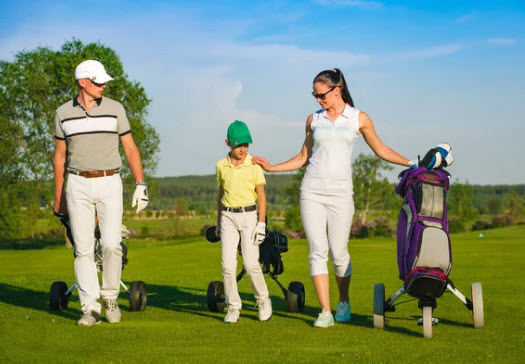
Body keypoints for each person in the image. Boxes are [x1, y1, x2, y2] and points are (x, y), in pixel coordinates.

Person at [252, 68, 415, 328]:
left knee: (339, 254)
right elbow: (303, 158)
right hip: (312, 191)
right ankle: (325, 312)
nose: (318, 100)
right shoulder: (313, 119)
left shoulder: (358, 118)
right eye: (314, 95)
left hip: (341, 193)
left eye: (321, 95)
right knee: (317, 252)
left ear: (336, 89)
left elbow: (381, 149)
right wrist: (272, 167)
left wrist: (412, 162)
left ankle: (343, 301)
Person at [53, 60, 149, 326]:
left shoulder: (115, 109)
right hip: (77, 183)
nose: (103, 85)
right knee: (82, 249)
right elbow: (60, 157)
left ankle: (109, 297)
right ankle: (89, 308)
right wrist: (59, 193)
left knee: (110, 244)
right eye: (98, 81)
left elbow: (129, 147)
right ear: (83, 82)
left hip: (110, 181)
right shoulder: (62, 113)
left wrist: (141, 184)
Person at [215, 120, 272, 323]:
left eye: (246, 144)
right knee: (228, 266)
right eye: (239, 144)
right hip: (228, 217)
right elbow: (221, 193)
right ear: (228, 143)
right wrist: (218, 221)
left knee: (250, 264)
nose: (243, 149)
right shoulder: (221, 166)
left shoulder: (254, 165)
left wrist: (261, 223)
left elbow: (261, 195)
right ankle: (233, 307)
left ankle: (263, 299)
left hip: (249, 216)